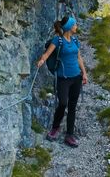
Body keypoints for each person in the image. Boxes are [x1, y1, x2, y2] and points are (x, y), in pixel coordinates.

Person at [37, 16, 88, 147]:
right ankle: (55, 128)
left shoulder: (75, 41)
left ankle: (69, 135)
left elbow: (78, 58)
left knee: (72, 106)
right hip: (63, 79)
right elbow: (47, 54)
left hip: (76, 77)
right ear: (70, 27)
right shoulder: (58, 41)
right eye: (75, 25)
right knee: (63, 103)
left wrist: (84, 73)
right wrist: (42, 60)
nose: (77, 27)